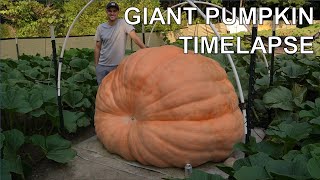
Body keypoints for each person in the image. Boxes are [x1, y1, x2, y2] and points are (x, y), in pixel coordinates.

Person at [94, 1, 147, 85]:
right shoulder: (101, 28)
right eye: (110, 11)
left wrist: (146, 50)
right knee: (103, 94)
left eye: (114, 11)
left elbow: (135, 38)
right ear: (106, 12)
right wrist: (97, 66)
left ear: (118, 12)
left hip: (118, 66)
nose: (112, 13)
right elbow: (97, 47)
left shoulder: (123, 24)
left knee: (118, 93)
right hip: (103, 67)